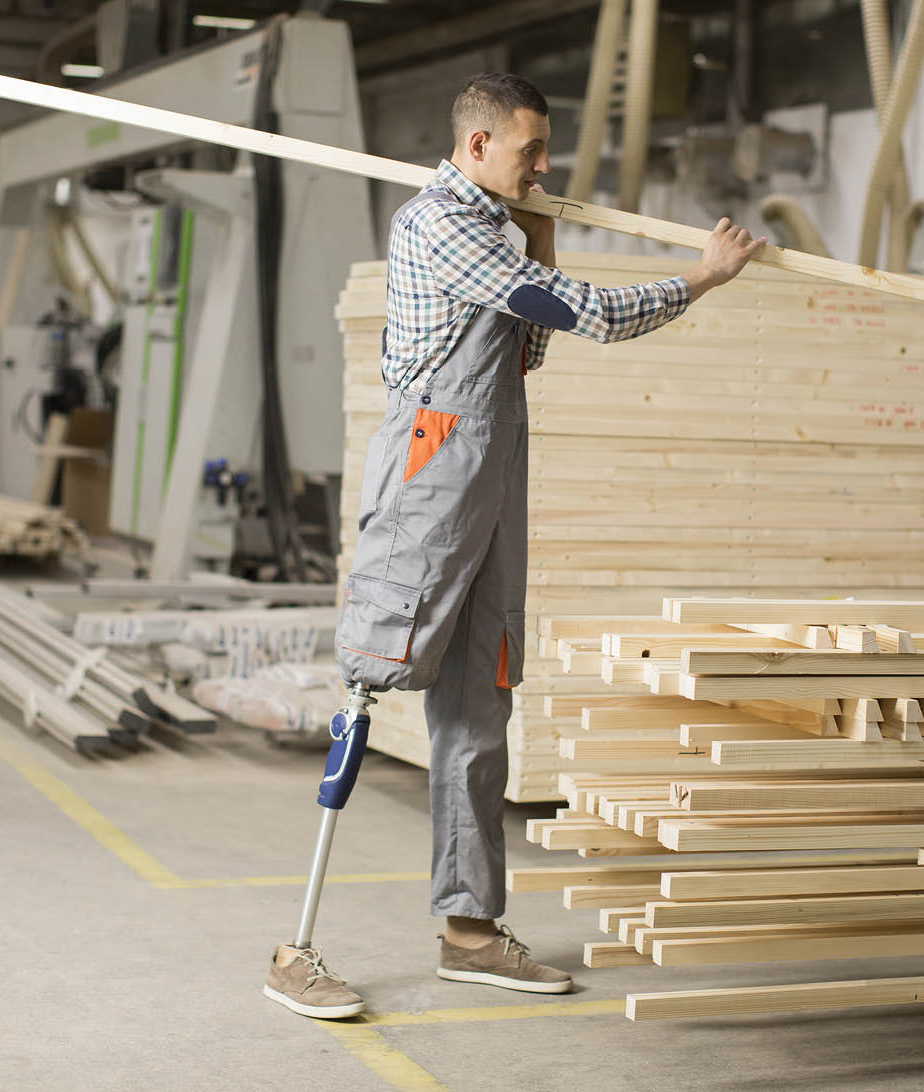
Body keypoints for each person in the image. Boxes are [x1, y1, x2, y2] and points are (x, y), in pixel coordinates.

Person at [265, 71, 766, 1019]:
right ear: (478, 145)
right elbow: (583, 315)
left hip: (492, 475)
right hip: (429, 469)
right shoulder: (438, 226)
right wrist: (702, 276)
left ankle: (469, 931)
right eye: (531, 150)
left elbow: (525, 352)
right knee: (373, 677)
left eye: (546, 150)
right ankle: (298, 946)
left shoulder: (497, 224)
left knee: (481, 701)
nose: (545, 165)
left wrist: (534, 225)